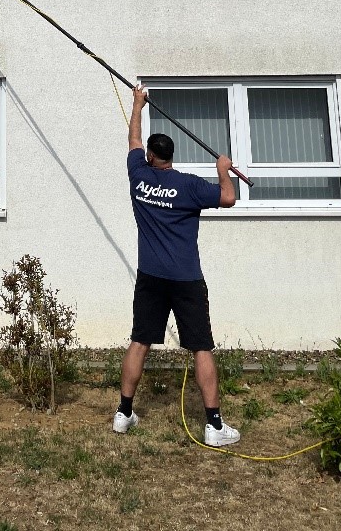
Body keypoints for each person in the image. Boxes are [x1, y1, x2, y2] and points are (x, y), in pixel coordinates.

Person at [113, 83, 240, 447]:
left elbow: (133, 141)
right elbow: (228, 197)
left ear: (152, 157)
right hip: (186, 280)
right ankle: (214, 425)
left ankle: (124, 413)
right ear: (171, 156)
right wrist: (223, 168)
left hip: (150, 278)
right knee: (201, 348)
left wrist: (138, 104)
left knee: (140, 342)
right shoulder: (189, 186)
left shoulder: (139, 175)